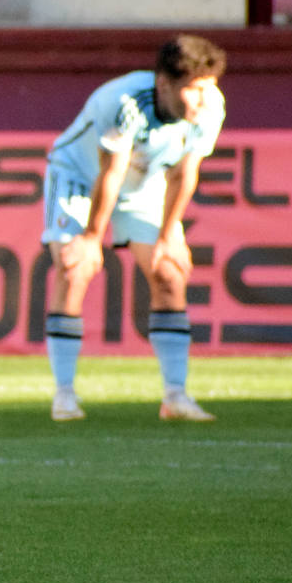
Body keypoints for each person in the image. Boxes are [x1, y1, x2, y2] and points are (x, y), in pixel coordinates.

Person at [41, 34, 226, 422]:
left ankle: (175, 396)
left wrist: (168, 235)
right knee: (75, 268)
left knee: (169, 271)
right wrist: (92, 239)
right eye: (194, 88)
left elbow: (185, 172)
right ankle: (64, 395)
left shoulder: (211, 109)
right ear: (164, 83)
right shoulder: (124, 101)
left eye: (209, 87)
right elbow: (111, 172)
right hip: (79, 176)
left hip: (142, 185)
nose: (205, 98)